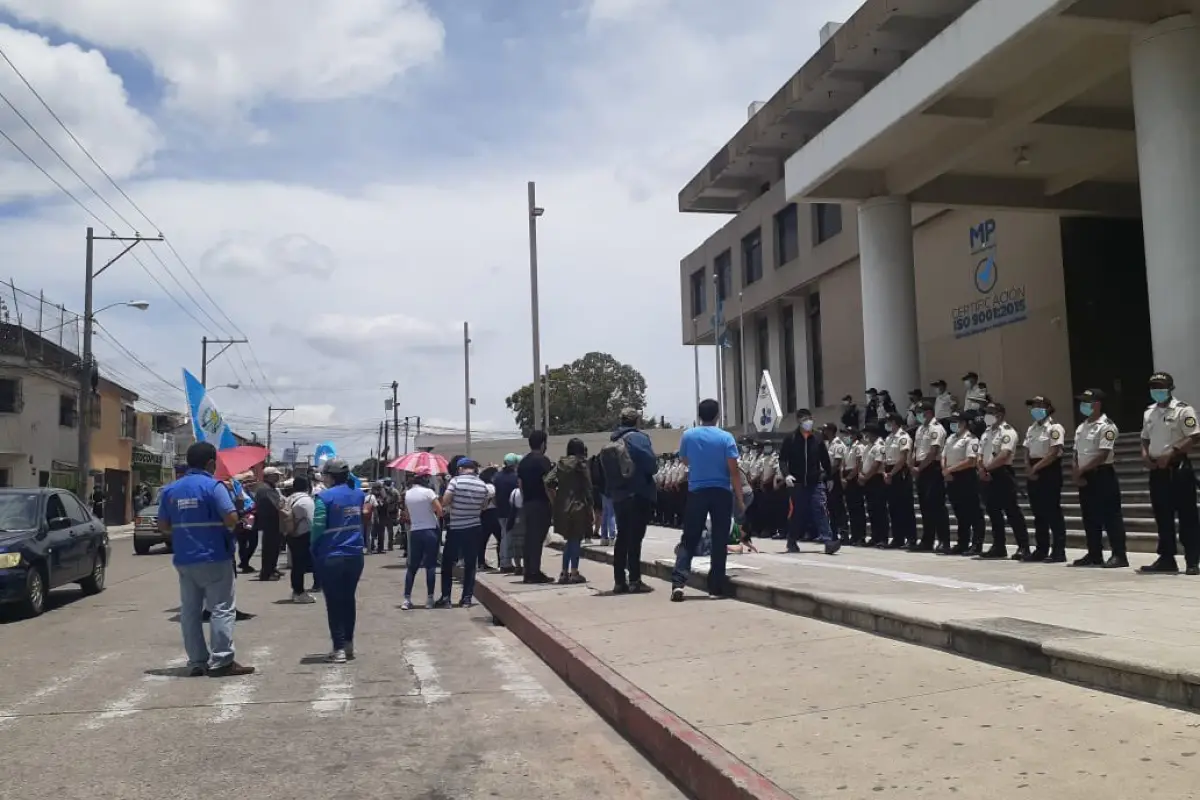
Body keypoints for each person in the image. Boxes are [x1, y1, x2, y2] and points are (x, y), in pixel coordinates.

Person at [157, 442, 254, 677]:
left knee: (190, 611)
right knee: (221, 608)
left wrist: (185, 535)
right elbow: (231, 519)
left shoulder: (170, 491)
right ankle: (221, 661)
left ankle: (197, 662)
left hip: (184, 559)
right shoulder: (214, 487)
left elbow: (163, 526)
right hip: (215, 557)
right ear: (211, 463)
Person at [670, 398, 745, 601]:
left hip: (697, 491)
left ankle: (678, 583)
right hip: (721, 491)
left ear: (699, 415)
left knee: (689, 538)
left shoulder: (688, 436)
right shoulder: (726, 438)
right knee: (720, 540)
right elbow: (734, 470)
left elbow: (685, 460)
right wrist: (739, 498)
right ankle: (715, 588)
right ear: (718, 415)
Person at [1139, 371, 1200, 575]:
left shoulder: (1183, 410)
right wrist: (1145, 454)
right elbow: (1145, 438)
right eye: (1153, 387)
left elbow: (1194, 436)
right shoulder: (1149, 412)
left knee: (1187, 516)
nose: (1157, 390)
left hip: (1178, 468)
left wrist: (1172, 451)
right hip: (1157, 470)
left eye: (1161, 387)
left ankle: (1192, 560)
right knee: (1162, 516)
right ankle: (1166, 558)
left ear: (1170, 388)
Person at [311, 459, 366, 663]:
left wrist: (313, 548)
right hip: (355, 556)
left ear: (330, 476)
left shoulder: (323, 498)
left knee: (334, 603)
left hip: (331, 556)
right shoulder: (359, 495)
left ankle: (339, 648)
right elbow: (355, 483)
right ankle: (349, 644)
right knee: (348, 599)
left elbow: (317, 527)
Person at [604, 407, 659, 594]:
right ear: (637, 421)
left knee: (622, 537)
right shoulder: (638, 438)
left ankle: (619, 581)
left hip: (619, 496)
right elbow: (652, 465)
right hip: (637, 494)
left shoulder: (614, 439)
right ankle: (635, 580)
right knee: (635, 539)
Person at [1072, 389, 1128, 569]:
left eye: (1087, 402)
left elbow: (1103, 454)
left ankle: (1119, 554)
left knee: (1110, 516)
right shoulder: (1082, 427)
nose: (1083, 405)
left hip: (1102, 474)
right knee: (1089, 516)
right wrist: (1076, 471)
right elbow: (1076, 452)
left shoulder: (1107, 426)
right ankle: (1094, 553)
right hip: (1085, 475)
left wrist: (1082, 470)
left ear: (1097, 404)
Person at [779, 409, 839, 555]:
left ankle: (828, 541)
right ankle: (792, 540)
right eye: (804, 419)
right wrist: (786, 475)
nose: (808, 422)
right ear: (799, 421)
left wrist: (829, 477)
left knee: (821, 509)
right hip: (797, 482)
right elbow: (782, 460)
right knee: (797, 513)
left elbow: (824, 459)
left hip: (815, 481)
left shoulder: (817, 438)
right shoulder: (791, 438)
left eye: (809, 418)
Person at [978, 402, 1031, 560]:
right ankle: (998, 546)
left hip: (1002, 474)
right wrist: (981, 469)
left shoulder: (1007, 432)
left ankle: (1023, 546)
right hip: (986, 474)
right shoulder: (986, 433)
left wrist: (987, 469)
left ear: (999, 414)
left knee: (1011, 511)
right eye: (986, 412)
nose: (987, 415)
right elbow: (979, 454)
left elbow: (1004, 455)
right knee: (993, 512)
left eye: (990, 412)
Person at [438, 458, 490, 607]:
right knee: (470, 564)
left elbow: (446, 501)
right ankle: (466, 598)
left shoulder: (455, 481)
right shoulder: (482, 485)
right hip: (474, 527)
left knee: (447, 563)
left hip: (456, 528)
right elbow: (484, 507)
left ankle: (446, 598)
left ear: (460, 469)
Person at [1023, 395, 1067, 563]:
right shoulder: (1031, 429)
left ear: (1048, 407)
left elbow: (1054, 452)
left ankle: (1058, 551)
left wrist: (1035, 468)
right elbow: (1026, 449)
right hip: (1033, 469)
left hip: (1049, 470)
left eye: (1039, 405)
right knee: (1038, 513)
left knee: (1052, 512)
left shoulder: (1055, 428)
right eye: (1033, 405)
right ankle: (1041, 549)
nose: (1035, 409)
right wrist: (1028, 466)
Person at [548, 438, 594, 584]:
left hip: (562, 507)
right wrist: (591, 506)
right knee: (576, 540)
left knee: (569, 540)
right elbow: (588, 487)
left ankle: (564, 572)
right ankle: (574, 572)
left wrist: (555, 500)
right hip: (578, 506)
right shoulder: (581, 464)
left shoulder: (560, 464)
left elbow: (548, 481)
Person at [941, 411, 984, 555]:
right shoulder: (950, 438)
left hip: (966, 477)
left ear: (964, 423)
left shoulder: (971, 439)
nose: (953, 423)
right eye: (952, 420)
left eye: (956, 421)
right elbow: (944, 456)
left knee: (973, 512)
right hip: (951, 477)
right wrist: (945, 470)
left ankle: (976, 544)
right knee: (959, 513)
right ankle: (962, 542)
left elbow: (970, 461)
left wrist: (950, 470)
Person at [912, 400, 951, 553]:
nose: (919, 416)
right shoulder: (920, 429)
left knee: (937, 505)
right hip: (921, 468)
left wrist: (920, 467)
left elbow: (933, 451)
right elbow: (916, 449)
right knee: (925, 506)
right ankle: (927, 540)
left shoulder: (937, 428)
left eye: (921, 413)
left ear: (929, 412)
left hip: (932, 468)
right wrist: (914, 465)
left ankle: (944, 540)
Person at [518, 431, 555, 584]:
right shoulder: (544, 461)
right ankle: (534, 572)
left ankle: (528, 570)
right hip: (541, 503)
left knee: (529, 539)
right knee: (537, 539)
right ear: (542, 444)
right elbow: (548, 484)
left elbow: (520, 485)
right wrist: (554, 502)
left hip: (527, 503)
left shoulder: (523, 462)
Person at [401, 473, 442, 610]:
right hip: (430, 529)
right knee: (430, 566)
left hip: (415, 531)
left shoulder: (407, 494)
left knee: (412, 566)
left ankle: (407, 599)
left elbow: (407, 514)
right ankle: (429, 599)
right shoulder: (429, 492)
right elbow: (439, 510)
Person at [882, 412, 917, 550]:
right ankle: (898, 538)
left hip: (900, 472)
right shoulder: (889, 438)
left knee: (905, 508)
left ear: (895, 422)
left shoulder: (903, 437)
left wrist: (891, 473)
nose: (887, 424)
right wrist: (885, 472)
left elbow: (903, 458)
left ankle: (911, 538)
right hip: (889, 471)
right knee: (893, 507)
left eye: (889, 421)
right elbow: (885, 457)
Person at [285, 476, 318, 603]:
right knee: (302, 566)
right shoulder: (307, 501)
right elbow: (312, 521)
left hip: (291, 534)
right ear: (307, 487)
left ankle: (296, 590)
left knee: (296, 565)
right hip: (304, 535)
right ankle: (300, 593)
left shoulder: (290, 499)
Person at [254, 467, 284, 581]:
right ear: (269, 476)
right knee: (270, 548)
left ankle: (272, 568)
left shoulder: (269, 488)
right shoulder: (265, 489)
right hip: (270, 521)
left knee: (274, 547)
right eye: (275, 475)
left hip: (273, 521)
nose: (278, 477)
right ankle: (267, 572)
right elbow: (277, 504)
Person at [493, 454, 521, 574]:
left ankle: (504, 561)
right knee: (511, 538)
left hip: (500, 511)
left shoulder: (497, 476)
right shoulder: (515, 477)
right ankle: (507, 563)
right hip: (512, 511)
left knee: (504, 536)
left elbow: (494, 496)